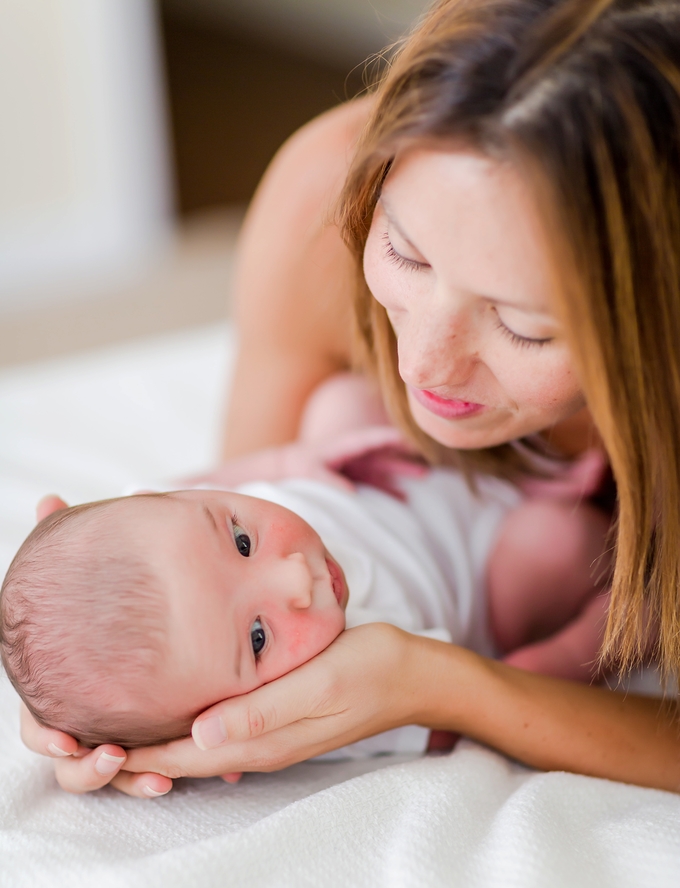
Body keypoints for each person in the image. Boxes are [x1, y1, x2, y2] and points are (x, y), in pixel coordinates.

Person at [21, 0, 680, 796]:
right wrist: (104, 699)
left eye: (525, 326)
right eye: (404, 251)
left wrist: (441, 684)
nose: (425, 367)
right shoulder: (319, 198)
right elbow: (220, 522)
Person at [2, 377, 609, 762]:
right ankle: (598, 615)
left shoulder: (165, 529)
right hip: (481, 566)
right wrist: (585, 645)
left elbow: (200, 485)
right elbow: (449, 720)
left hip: (387, 481)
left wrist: (297, 459)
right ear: (227, 718)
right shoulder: (330, 701)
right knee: (558, 542)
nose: (296, 577)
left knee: (341, 402)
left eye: (241, 539)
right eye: (258, 638)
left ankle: (511, 459)